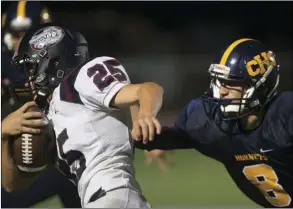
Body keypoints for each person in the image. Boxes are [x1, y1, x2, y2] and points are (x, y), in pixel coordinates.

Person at [7, 22, 164, 208]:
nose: (29, 80)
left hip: (113, 196)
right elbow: (14, 185)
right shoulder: (53, 113)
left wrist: (146, 114)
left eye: (31, 68)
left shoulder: (80, 79)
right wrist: (3, 135)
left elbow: (148, 89)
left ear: (52, 61)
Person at [134, 38, 293, 208]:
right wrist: (154, 135)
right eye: (221, 82)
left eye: (232, 83)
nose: (223, 91)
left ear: (261, 86)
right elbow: (160, 136)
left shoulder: (286, 116)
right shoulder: (209, 121)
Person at [1, 2, 81, 207]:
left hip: (59, 153)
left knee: (72, 169)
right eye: (18, 34)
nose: (23, 42)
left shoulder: (67, 62)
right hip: (9, 153)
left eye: (31, 35)